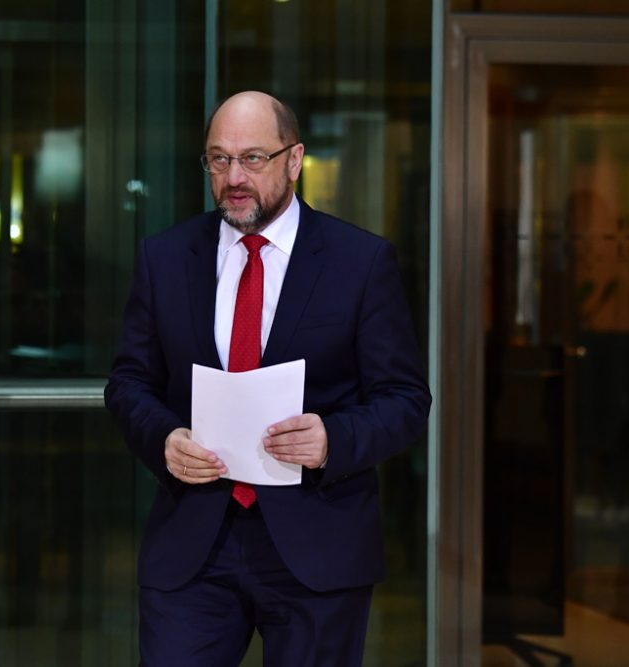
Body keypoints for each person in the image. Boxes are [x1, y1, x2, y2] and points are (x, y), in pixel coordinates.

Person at [104, 90, 431, 667]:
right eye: (218, 159)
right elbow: (129, 383)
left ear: (295, 159)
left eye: (253, 158)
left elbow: (405, 399)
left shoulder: (360, 262)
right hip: (194, 545)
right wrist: (164, 439)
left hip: (318, 546)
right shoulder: (165, 257)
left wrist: (333, 439)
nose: (234, 176)